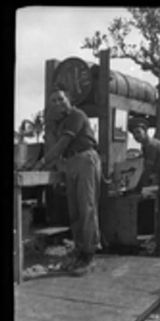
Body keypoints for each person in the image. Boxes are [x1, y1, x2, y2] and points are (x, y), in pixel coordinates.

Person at [34, 85, 101, 275]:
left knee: (86, 208)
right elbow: (54, 144)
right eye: (53, 101)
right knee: (74, 209)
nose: (57, 103)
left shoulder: (76, 115)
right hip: (70, 162)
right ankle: (80, 251)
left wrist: (43, 162)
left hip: (85, 159)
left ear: (69, 100)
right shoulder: (59, 122)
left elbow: (62, 144)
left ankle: (89, 255)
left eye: (60, 99)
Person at [128, 117, 160, 258]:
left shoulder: (151, 145)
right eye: (134, 134)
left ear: (145, 132)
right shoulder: (145, 146)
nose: (136, 136)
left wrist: (138, 188)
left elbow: (148, 169)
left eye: (138, 132)